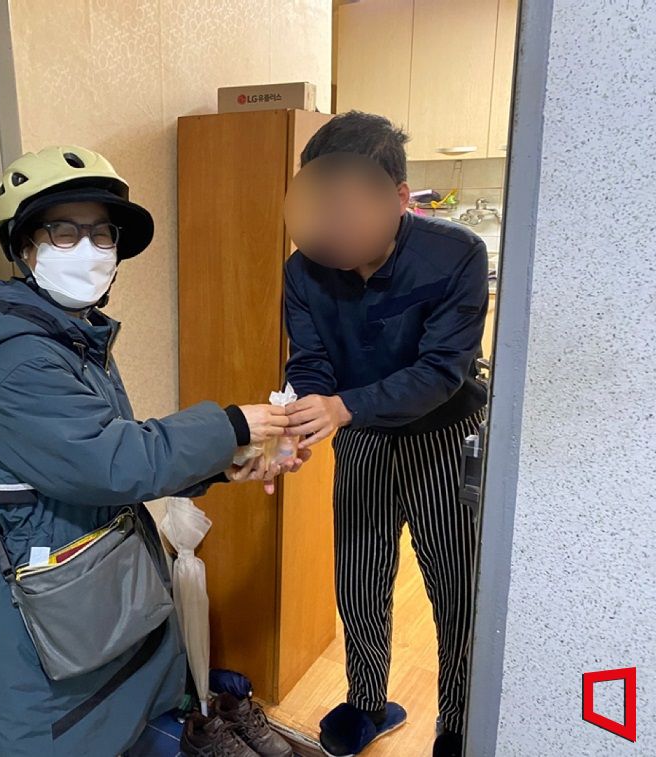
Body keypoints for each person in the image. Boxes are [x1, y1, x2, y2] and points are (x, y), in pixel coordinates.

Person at [0, 145, 296, 756]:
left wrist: (227, 465)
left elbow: (102, 457)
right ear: (23, 247)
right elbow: (112, 461)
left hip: (95, 590)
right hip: (44, 615)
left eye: (101, 234)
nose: (89, 250)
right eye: (64, 232)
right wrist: (230, 426)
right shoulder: (18, 363)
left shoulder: (71, 338)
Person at [281, 113, 489, 757]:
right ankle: (367, 702)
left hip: (444, 434)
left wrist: (341, 407)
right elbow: (310, 362)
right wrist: (299, 423)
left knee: (456, 586)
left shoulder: (456, 255)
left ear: (399, 197)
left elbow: (442, 371)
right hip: (362, 435)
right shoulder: (304, 269)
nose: (334, 225)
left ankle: (458, 720)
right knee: (360, 575)